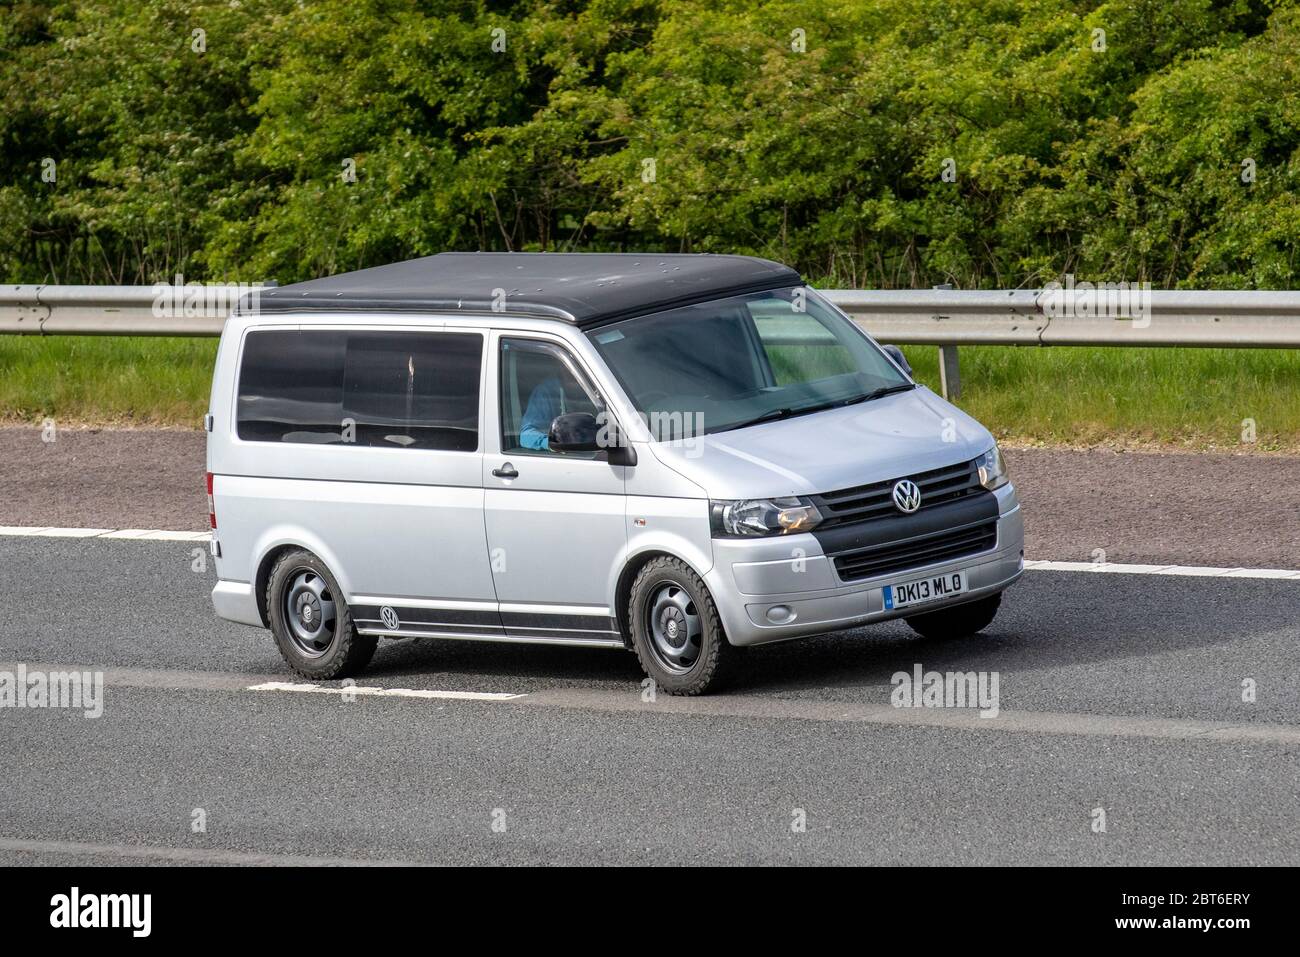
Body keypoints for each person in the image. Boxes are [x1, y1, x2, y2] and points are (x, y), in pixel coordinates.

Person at [518, 376, 563, 451]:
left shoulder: (584, 387)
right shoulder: (546, 392)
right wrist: (554, 443)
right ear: (562, 369)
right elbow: (526, 435)